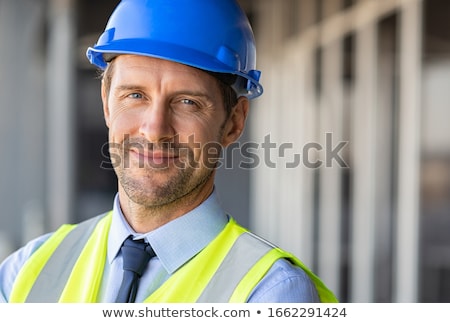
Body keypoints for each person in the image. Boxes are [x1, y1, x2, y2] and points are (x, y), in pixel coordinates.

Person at [0, 0, 337, 303]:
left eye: (187, 102)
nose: (154, 129)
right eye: (135, 95)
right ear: (106, 102)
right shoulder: (26, 272)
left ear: (234, 122)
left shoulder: (271, 294)